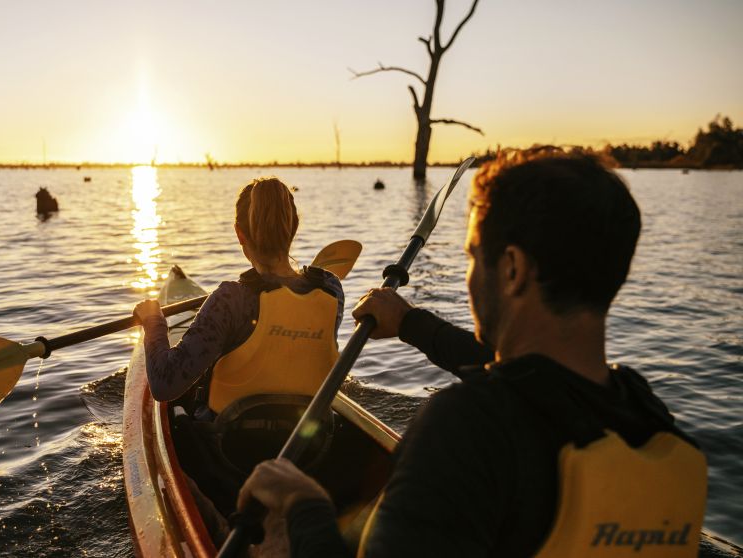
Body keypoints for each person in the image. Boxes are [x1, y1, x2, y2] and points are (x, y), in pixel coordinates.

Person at [237, 149, 708, 557]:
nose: (468, 277)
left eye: (471, 257)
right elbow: (529, 381)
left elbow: (512, 392)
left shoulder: (466, 427)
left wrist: (303, 505)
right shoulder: (647, 417)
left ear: (511, 269)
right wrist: (410, 323)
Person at [133, 177, 345, 418]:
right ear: (293, 228)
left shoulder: (231, 300)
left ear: (239, 234)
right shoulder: (330, 288)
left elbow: (163, 385)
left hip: (229, 450)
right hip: (310, 442)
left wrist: (153, 322)